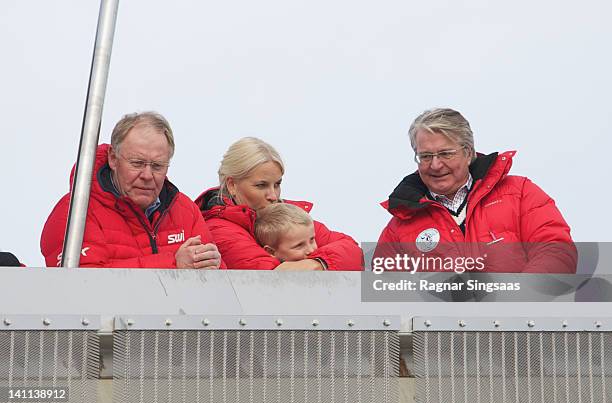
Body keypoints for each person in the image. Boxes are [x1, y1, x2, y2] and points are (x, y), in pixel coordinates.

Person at [376, 108, 576, 273]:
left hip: (518, 319)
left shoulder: (520, 193)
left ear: (469, 152)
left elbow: (556, 251)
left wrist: (516, 300)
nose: (435, 165)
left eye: (446, 154)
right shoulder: (399, 227)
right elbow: (386, 291)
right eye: (426, 156)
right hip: (439, 322)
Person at [41, 112, 223, 269]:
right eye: (137, 163)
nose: (147, 175)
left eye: (158, 166)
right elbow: (84, 284)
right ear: (113, 158)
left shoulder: (186, 210)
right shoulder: (75, 212)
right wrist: (174, 265)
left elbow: (219, 287)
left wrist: (215, 265)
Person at [195, 137, 363, 271]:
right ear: (232, 184)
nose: (273, 196)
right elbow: (272, 279)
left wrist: (318, 264)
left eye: (277, 184)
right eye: (261, 185)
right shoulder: (218, 230)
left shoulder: (288, 217)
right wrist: (323, 264)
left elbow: (353, 250)